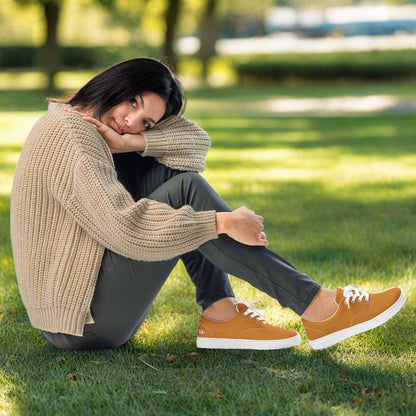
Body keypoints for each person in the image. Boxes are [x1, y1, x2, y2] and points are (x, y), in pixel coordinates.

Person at [10, 58, 406, 352]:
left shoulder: (93, 128)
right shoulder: (71, 137)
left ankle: (221, 313)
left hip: (87, 305)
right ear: (113, 83)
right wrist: (220, 223)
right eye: (131, 103)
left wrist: (137, 143)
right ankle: (318, 306)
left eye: (146, 122)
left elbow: (195, 145)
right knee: (188, 193)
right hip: (81, 321)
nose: (131, 121)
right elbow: (124, 230)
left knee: (183, 181)